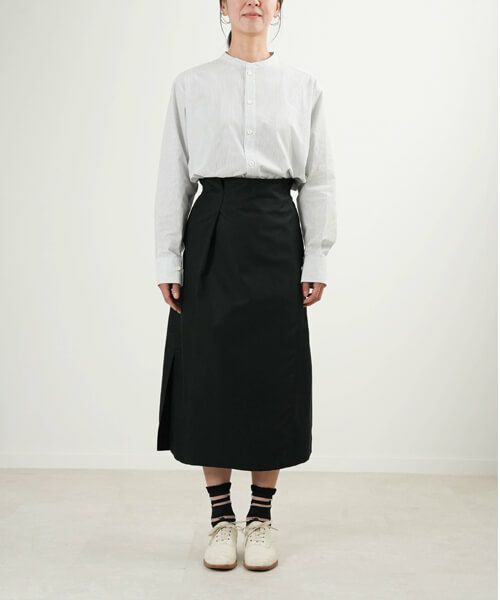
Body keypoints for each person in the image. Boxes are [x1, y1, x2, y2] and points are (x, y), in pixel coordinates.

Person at [154, 0, 336, 571]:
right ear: (224, 6)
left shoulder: (303, 86)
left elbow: (320, 179)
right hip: (212, 229)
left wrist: (317, 256)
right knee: (210, 371)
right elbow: (172, 174)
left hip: (277, 231)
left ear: (278, 7)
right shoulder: (191, 85)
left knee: (271, 372)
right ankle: (219, 519)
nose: (252, 1)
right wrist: (168, 258)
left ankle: (260, 518)